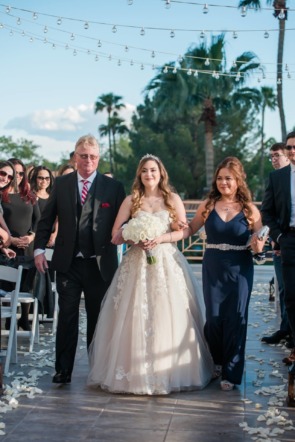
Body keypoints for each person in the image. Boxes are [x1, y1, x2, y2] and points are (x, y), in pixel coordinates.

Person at [87, 154, 214, 395]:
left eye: (153, 170)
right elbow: (116, 232)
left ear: (161, 173)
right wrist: (133, 235)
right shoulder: (131, 200)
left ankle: (166, 370)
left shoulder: (172, 198)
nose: (149, 174)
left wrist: (162, 238)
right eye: (144, 171)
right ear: (139, 175)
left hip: (165, 260)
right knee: (134, 313)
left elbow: (183, 232)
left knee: (166, 312)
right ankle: (132, 372)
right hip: (137, 263)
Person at [34, 134, 125, 385]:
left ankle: (97, 370)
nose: (88, 161)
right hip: (68, 263)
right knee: (67, 316)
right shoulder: (61, 184)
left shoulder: (113, 188)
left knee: (98, 318)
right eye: (83, 156)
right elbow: (46, 220)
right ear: (75, 157)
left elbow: (125, 220)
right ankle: (63, 370)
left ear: (98, 158)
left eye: (93, 157)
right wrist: (39, 250)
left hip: (99, 264)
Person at [188, 157, 265, 391]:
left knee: (236, 319)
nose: (223, 182)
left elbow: (259, 247)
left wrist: (258, 245)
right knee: (213, 320)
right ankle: (218, 360)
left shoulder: (250, 210)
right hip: (213, 267)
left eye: (228, 178)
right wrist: (164, 232)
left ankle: (231, 372)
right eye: (220, 178)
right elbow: (190, 229)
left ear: (238, 180)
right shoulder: (208, 205)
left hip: (240, 268)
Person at [261, 131, 295, 372]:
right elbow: (267, 211)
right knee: (291, 296)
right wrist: (279, 237)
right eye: (290, 147)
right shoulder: (278, 177)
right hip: (289, 239)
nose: (293, 151)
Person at [1, 158, 40, 330]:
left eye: (19, 173)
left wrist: (31, 237)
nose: (14, 177)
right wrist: (8, 241)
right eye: (9, 174)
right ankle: (8, 324)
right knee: (6, 287)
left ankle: (24, 318)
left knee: (26, 285)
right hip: (6, 247)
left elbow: (39, 221)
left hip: (26, 246)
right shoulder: (2, 195)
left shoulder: (29, 195)